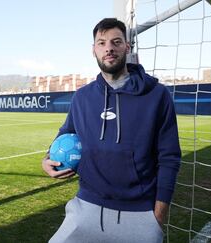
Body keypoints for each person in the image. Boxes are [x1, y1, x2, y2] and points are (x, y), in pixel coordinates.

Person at [42, 18, 181, 243]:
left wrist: (158, 216)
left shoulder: (157, 95)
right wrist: (47, 159)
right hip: (85, 207)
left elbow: (170, 158)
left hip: (140, 213)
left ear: (127, 46)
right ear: (93, 50)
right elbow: (65, 133)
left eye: (116, 42)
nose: (109, 48)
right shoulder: (82, 97)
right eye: (102, 43)